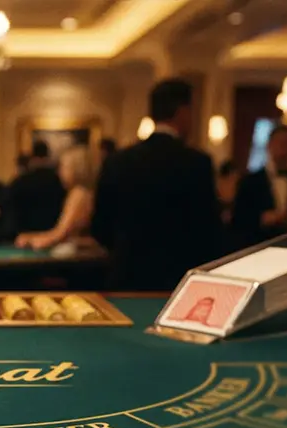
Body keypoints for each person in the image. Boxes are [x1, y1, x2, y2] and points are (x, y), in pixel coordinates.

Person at [91, 78, 221, 291]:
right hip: (179, 281)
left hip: (126, 277)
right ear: (183, 112)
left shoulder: (118, 161)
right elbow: (208, 230)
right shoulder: (197, 162)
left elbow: (99, 227)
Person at [230, 124, 287, 246]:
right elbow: (238, 222)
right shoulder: (250, 182)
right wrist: (263, 219)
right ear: (269, 145)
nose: (285, 150)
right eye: (281, 143)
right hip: (259, 246)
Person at [15, 146, 94, 251]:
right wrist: (32, 236)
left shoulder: (79, 194)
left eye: (63, 167)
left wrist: (33, 240)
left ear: (76, 169)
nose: (59, 172)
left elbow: (60, 234)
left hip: (80, 256)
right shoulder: (86, 191)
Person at [8, 140, 68, 236]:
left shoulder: (21, 181)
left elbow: (10, 204)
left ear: (32, 157)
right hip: (53, 231)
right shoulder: (59, 180)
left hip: (26, 233)